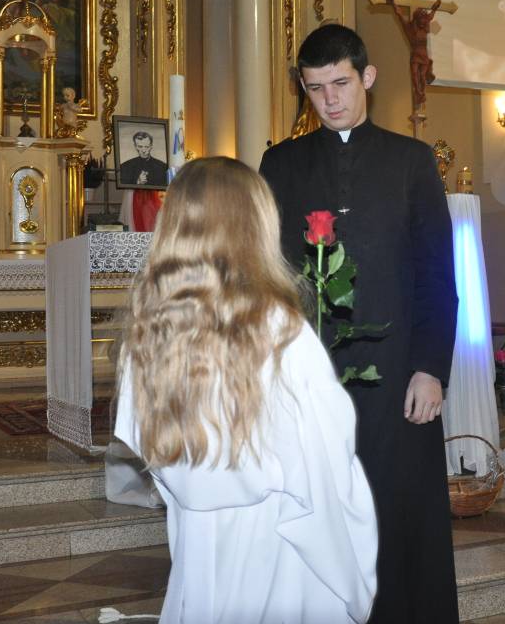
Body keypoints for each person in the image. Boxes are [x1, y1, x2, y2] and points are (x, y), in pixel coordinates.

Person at [114, 156, 378, 623]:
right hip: (275, 540)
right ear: (254, 226)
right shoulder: (280, 328)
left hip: (198, 538)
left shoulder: (148, 332)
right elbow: (325, 452)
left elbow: (146, 441)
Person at [260, 24, 459, 623]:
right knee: (315, 512)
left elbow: (437, 274)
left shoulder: (411, 161)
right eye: (315, 88)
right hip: (309, 372)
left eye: (341, 83)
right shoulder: (280, 164)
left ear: (367, 76)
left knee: (396, 508)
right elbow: (268, 274)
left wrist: (430, 368)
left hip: (398, 372)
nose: (330, 100)